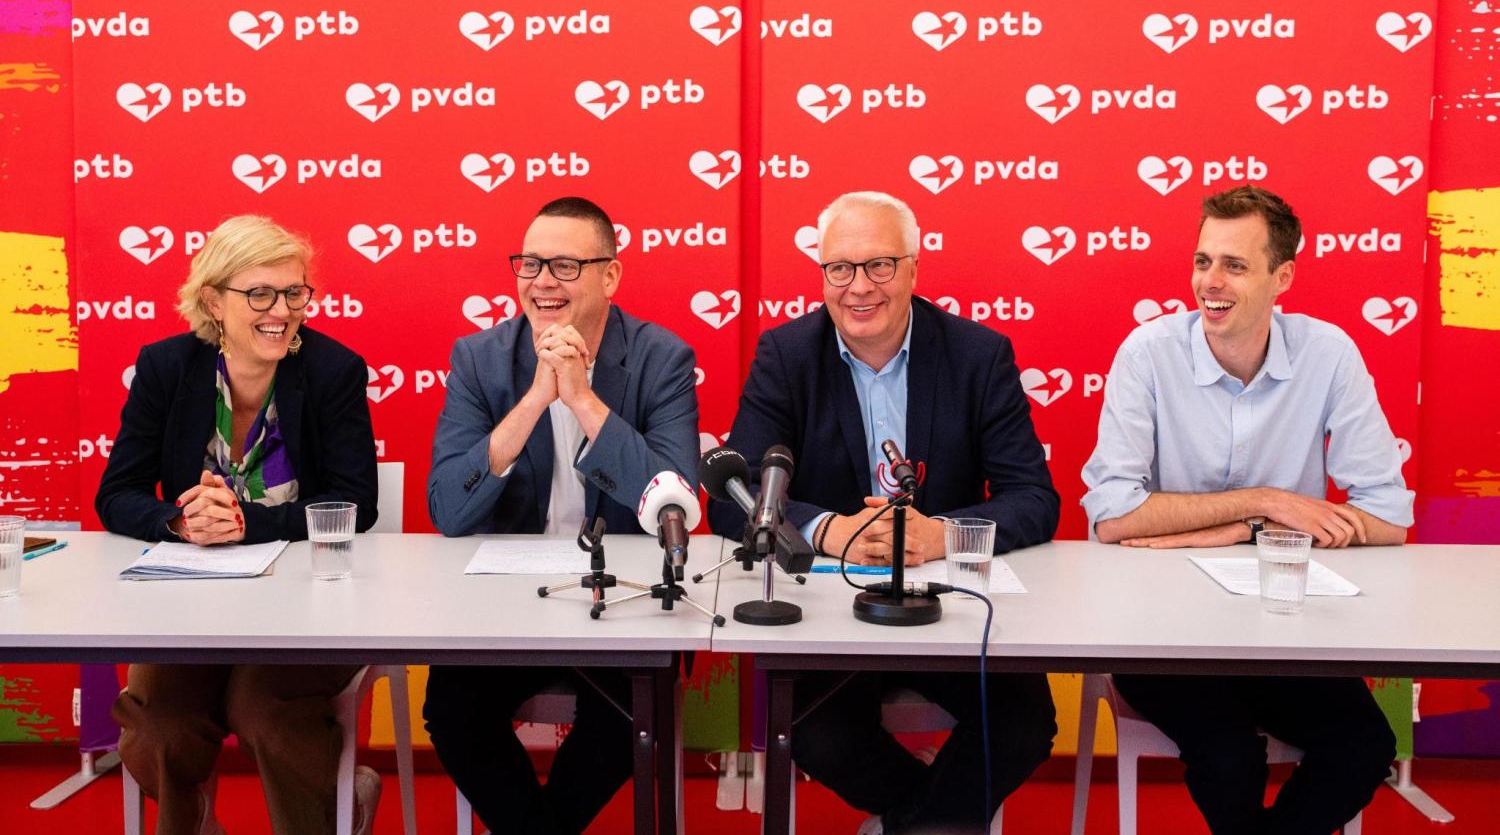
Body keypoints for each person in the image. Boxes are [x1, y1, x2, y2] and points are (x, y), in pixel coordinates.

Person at [709, 191, 1060, 835]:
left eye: (879, 266)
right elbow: (736, 501)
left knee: (1024, 725)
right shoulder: (786, 356)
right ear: (822, 275)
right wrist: (830, 531)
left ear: (914, 270)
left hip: (948, 606)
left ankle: (908, 823)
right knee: (815, 732)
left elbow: (1035, 498)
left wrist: (941, 534)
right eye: (839, 269)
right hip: (831, 615)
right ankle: (924, 822)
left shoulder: (978, 355)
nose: (858, 287)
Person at [1081, 185, 1409, 835]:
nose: (1210, 282)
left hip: (1287, 631)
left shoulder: (1329, 354)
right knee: (1229, 755)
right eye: (1203, 262)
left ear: (1281, 277)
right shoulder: (1147, 354)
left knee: (1366, 746)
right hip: (1161, 632)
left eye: (1234, 265)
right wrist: (1264, 506)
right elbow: (1113, 515)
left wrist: (1239, 526)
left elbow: (1388, 518)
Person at [424, 197, 699, 835]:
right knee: (453, 709)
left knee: (633, 710)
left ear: (611, 276)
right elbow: (448, 510)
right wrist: (534, 403)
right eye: (530, 262)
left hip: (622, 602)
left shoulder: (662, 359)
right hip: (502, 600)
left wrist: (580, 399)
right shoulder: (480, 358)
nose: (543, 280)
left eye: (567, 265)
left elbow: (674, 504)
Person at [97, 215, 380, 835]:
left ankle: (336, 806)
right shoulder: (167, 368)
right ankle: (193, 820)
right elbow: (115, 494)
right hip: (189, 602)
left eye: (294, 292)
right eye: (260, 294)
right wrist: (177, 519)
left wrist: (245, 524)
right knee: (158, 726)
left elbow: (357, 502)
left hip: (306, 602)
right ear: (212, 302)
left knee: (267, 713)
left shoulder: (334, 370)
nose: (281, 310)